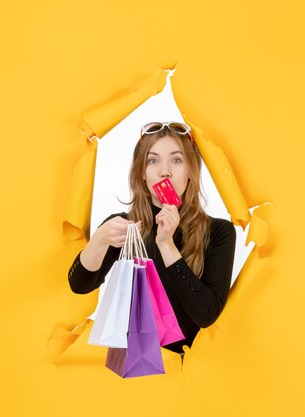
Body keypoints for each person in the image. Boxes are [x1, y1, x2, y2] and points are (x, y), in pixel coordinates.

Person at [68, 121, 237, 355]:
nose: (164, 171)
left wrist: (166, 244)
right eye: (153, 160)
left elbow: (207, 314)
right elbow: (79, 285)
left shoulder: (219, 231)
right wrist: (99, 239)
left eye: (176, 160)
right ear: (142, 173)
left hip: (191, 371)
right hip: (135, 371)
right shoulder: (123, 227)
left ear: (190, 171)